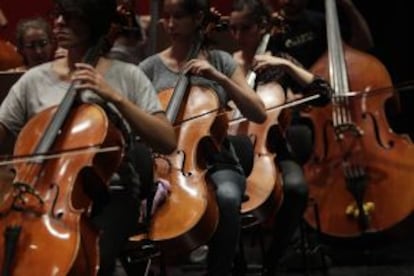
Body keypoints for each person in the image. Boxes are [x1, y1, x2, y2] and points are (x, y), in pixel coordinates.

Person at [0, 0, 176, 275]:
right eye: (58, 16)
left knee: (96, 259)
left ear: (93, 21)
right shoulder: (33, 80)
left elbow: (166, 141)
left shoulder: (128, 76)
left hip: (112, 193)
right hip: (38, 189)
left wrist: (113, 96)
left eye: (70, 18)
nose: (58, 24)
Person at [138, 0, 266, 275]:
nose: (170, 24)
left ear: (198, 18)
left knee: (229, 198)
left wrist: (220, 78)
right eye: (167, 17)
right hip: (159, 163)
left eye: (179, 17)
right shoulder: (149, 68)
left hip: (217, 161)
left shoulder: (221, 60)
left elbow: (257, 112)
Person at [229, 0, 332, 275]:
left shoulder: (278, 62)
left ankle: (272, 262)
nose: (238, 36)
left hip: (271, 149)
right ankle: (235, 263)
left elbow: (324, 94)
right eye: (233, 29)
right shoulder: (227, 64)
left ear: (262, 27)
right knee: (224, 193)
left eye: (245, 28)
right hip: (234, 150)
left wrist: (284, 65)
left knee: (297, 189)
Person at [267, 0, 374, 69]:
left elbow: (363, 46)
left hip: (325, 84)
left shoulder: (321, 21)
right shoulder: (270, 28)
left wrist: (349, 7)